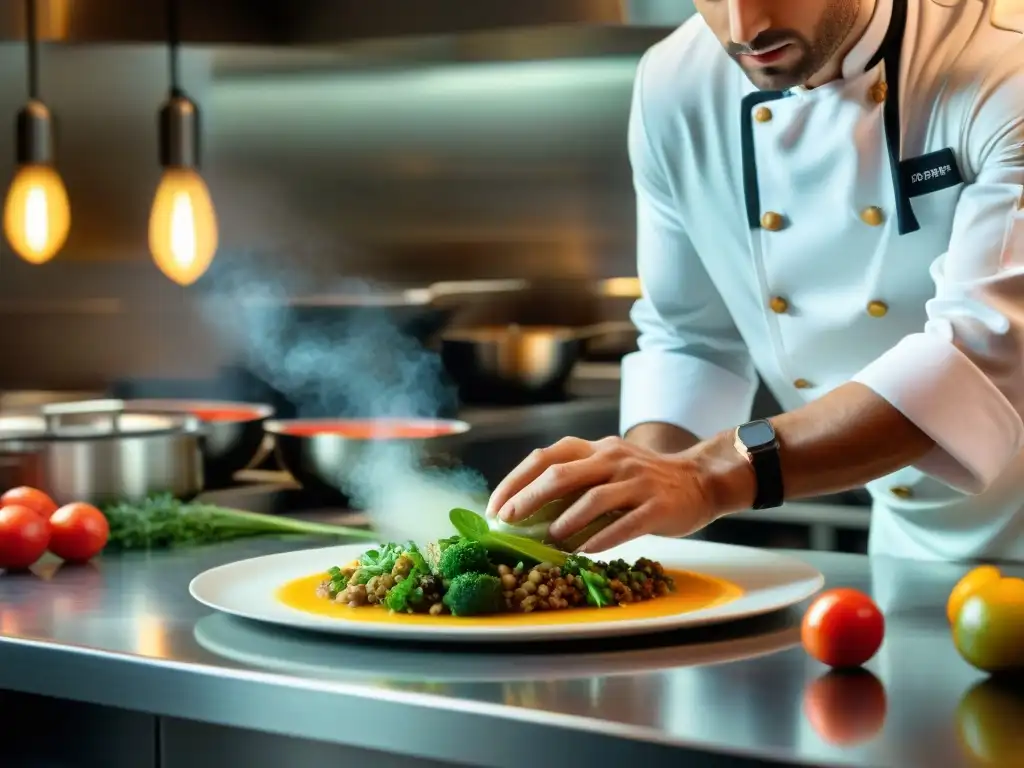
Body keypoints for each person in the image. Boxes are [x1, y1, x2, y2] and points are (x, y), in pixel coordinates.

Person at [486, 0, 1024, 562]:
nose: (745, 29)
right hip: (908, 546)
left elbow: (979, 357)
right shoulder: (674, 83)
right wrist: (628, 495)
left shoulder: (1006, 60)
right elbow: (692, 338)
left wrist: (710, 476)